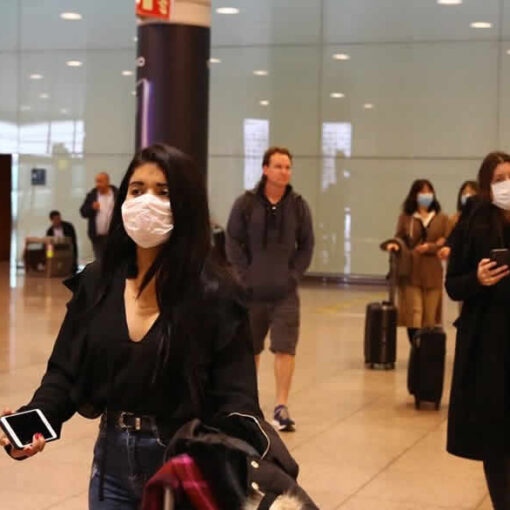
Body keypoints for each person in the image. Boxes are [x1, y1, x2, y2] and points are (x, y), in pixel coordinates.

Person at [1, 144, 312, 510]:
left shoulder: (215, 293)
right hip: (111, 466)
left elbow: (236, 395)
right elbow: (65, 371)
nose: (147, 201)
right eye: (136, 190)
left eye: (163, 192)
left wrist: (258, 455)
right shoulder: (98, 282)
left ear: (187, 203)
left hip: (182, 464)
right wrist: (34, 421)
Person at [225, 146, 314, 432]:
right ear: (265, 169)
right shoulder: (246, 204)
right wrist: (243, 276)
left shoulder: (298, 205)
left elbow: (307, 245)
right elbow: (232, 241)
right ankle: (247, 404)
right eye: (278, 166)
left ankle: (281, 406)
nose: (284, 171)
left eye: (287, 167)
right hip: (250, 293)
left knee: (285, 349)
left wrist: (293, 276)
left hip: (285, 293)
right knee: (250, 349)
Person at [446, 151, 510, 510]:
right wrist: (478, 279)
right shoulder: (473, 222)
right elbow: (454, 285)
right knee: (494, 434)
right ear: (487, 186)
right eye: (499, 179)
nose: (507, 185)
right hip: (487, 343)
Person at [385, 179, 448, 343]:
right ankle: (416, 347)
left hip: (433, 271)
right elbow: (399, 237)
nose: (426, 195)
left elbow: (447, 241)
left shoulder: (442, 218)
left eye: (429, 191)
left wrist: (432, 247)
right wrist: (395, 244)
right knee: (414, 312)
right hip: (412, 269)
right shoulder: (407, 218)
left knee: (430, 315)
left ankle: (426, 350)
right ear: (414, 195)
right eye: (422, 192)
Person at [438, 180, 480, 261]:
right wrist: (447, 247)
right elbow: (452, 237)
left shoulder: (482, 216)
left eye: (471, 192)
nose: (467, 196)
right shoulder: (456, 218)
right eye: (464, 193)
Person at [80, 172, 117, 261]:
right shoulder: (92, 195)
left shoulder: (117, 195)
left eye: (100, 181)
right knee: (100, 262)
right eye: (96, 182)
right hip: (97, 238)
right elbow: (83, 212)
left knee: (113, 261)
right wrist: (92, 208)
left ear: (107, 181)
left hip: (114, 236)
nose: (98, 184)